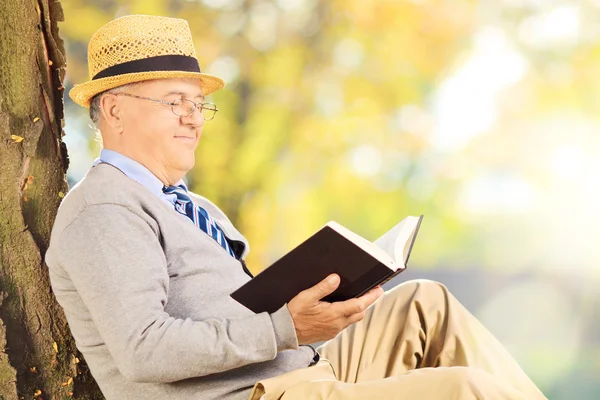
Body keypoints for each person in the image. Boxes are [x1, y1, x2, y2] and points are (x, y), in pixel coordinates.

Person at [46, 14, 547, 400]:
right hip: (258, 395)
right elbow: (143, 350)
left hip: (298, 370)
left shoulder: (192, 205)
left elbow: (243, 311)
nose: (193, 119)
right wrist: (285, 327)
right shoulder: (104, 208)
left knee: (424, 302)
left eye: (197, 105)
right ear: (114, 110)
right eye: (174, 101)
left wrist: (320, 306)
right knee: (465, 392)